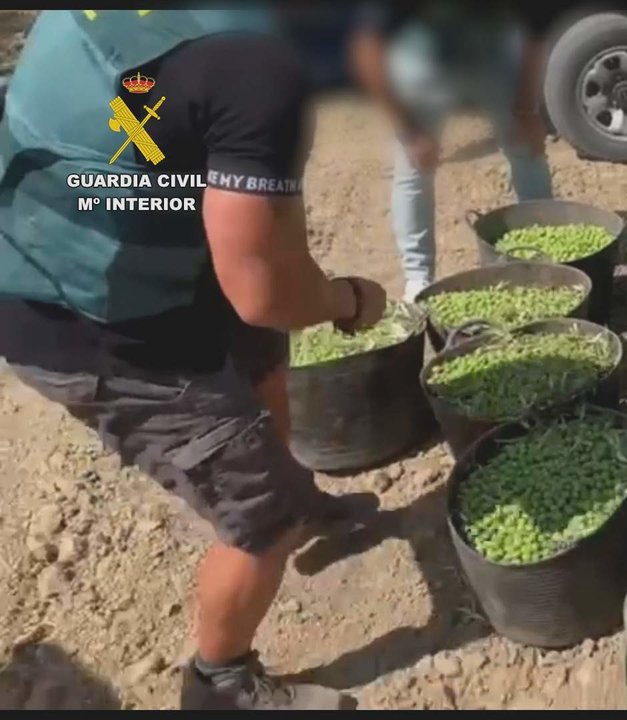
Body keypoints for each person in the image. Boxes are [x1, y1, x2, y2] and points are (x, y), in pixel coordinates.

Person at [0, 9, 384, 710]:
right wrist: (349, 300)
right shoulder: (257, 65)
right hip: (84, 315)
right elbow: (268, 287)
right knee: (260, 518)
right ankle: (221, 680)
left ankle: (297, 495)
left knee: (262, 358)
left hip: (149, 236)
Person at [350, 2, 561, 301]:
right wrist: (409, 130)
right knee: (413, 166)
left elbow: (534, 34)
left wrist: (526, 111)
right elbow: (366, 47)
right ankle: (418, 277)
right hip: (423, 60)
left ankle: (545, 246)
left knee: (526, 145)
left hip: (493, 57)